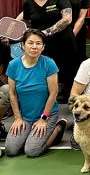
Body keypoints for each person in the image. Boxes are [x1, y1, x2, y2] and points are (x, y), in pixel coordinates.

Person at [5, 29, 67, 157]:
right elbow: (12, 94)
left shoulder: (49, 63)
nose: (34, 47)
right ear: (23, 45)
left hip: (46, 115)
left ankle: (58, 127)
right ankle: (30, 133)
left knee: (32, 151)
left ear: (43, 47)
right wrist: (17, 118)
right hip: (26, 116)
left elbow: (53, 93)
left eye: (38, 43)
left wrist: (43, 119)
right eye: (30, 43)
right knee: (11, 150)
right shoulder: (13, 65)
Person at [20, 0, 77, 96]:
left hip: (65, 42)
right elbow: (28, 23)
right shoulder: (27, 2)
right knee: (48, 74)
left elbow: (67, 19)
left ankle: (71, 100)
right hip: (44, 46)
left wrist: (46, 32)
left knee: (69, 72)